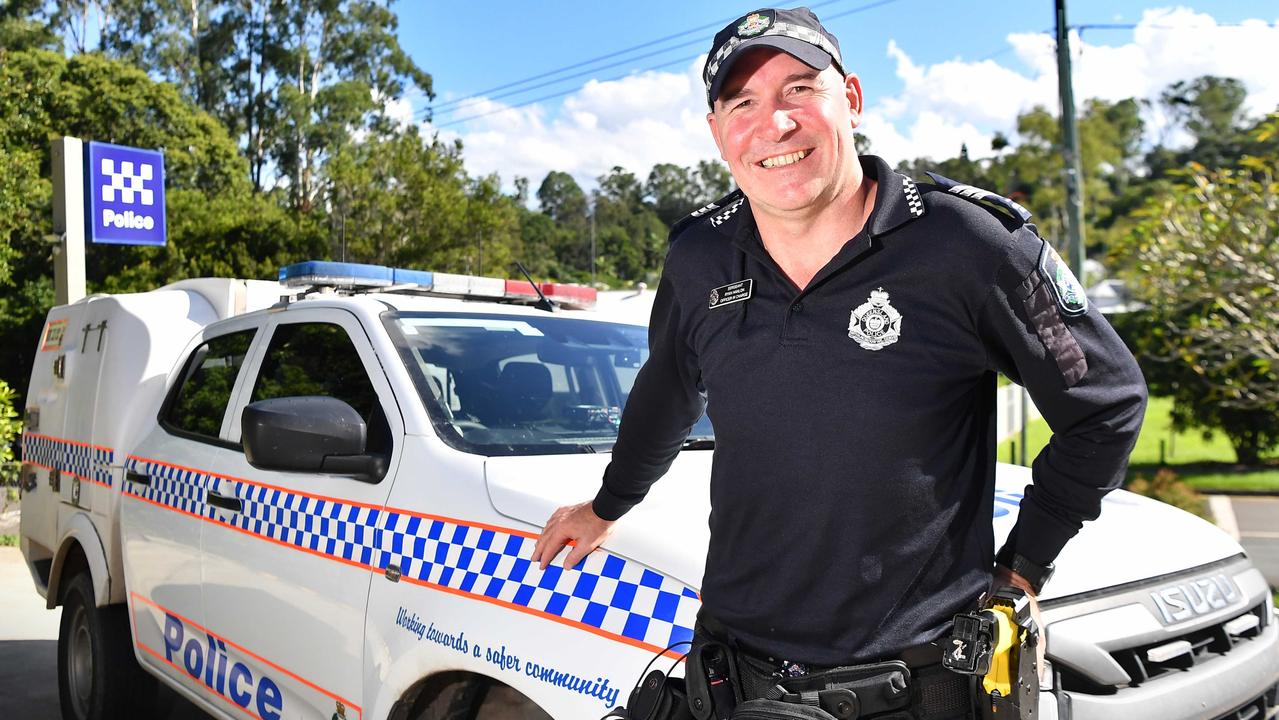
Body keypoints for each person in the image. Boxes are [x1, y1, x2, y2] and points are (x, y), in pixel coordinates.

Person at [532, 7, 1147, 719]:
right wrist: (609, 504)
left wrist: (1024, 567)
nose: (776, 123)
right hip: (734, 670)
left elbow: (1105, 404)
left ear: (849, 98)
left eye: (799, 90)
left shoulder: (967, 242)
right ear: (717, 132)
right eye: (743, 102)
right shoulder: (697, 257)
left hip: (916, 682)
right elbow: (667, 390)